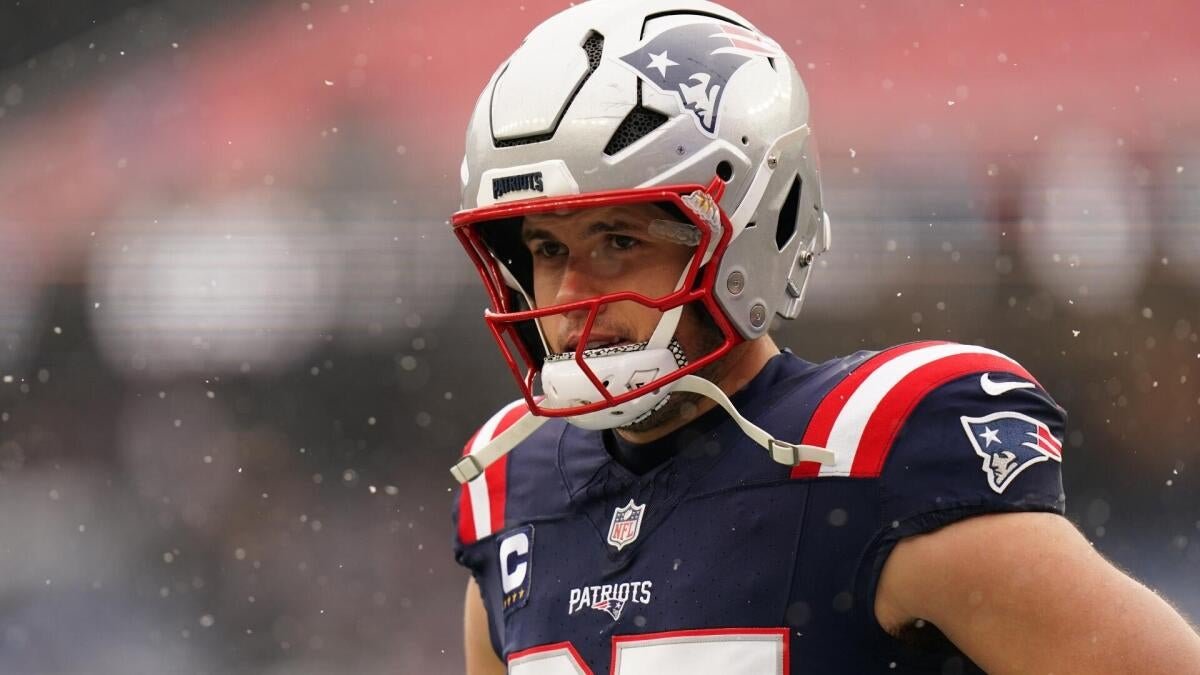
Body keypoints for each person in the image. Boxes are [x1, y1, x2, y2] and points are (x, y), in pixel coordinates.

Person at [447, 1, 1200, 673]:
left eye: (618, 241)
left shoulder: (878, 455)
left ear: (746, 233)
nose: (569, 296)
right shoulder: (513, 494)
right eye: (547, 249)